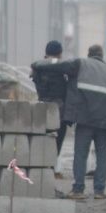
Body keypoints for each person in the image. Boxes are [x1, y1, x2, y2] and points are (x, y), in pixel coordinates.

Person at [35, 44, 106, 200]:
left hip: (85, 120)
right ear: (102, 56)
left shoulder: (81, 64)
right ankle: (99, 191)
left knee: (80, 154)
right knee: (102, 156)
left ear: (89, 54)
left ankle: (78, 190)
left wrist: (37, 64)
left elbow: (58, 65)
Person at [30, 40, 71, 179]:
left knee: (42, 141)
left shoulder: (37, 68)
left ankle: (43, 168)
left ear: (46, 53)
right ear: (60, 53)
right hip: (59, 111)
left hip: (42, 109)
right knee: (57, 142)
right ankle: (52, 169)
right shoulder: (63, 68)